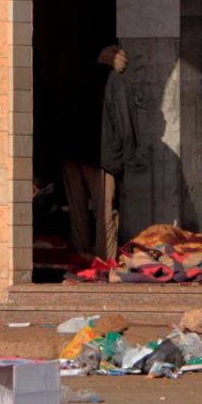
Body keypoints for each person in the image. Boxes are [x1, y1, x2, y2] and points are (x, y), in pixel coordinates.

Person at [60, 44, 136, 260]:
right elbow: (124, 122)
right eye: (124, 62)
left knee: (77, 211)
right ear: (116, 61)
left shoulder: (76, 78)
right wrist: (128, 158)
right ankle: (105, 261)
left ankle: (81, 258)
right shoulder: (114, 79)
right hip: (99, 156)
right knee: (105, 213)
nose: (125, 67)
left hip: (71, 154)